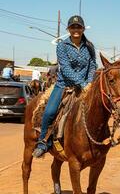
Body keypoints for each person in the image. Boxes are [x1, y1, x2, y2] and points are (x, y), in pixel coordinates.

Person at [32, 15, 97, 158]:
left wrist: (89, 82)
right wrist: (82, 83)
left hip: (86, 86)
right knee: (49, 112)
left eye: (78, 27)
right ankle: (43, 142)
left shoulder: (90, 46)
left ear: (83, 29)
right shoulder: (62, 46)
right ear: (68, 29)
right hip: (64, 86)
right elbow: (66, 68)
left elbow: (93, 65)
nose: (76, 30)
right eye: (73, 27)